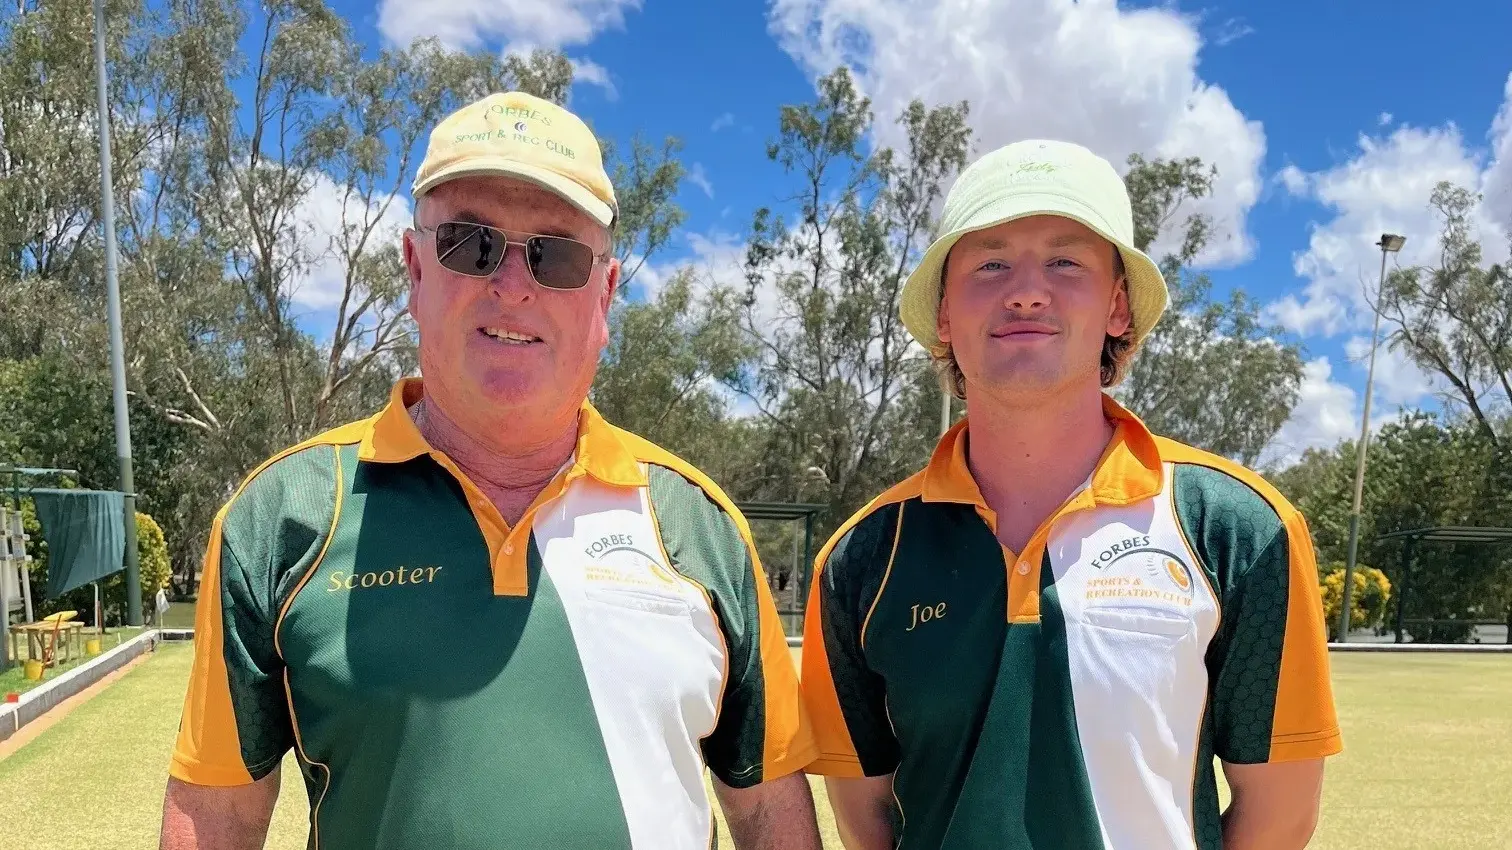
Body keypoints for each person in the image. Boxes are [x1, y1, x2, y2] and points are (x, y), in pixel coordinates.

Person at [160, 91, 822, 850]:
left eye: (556, 254)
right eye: (470, 244)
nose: (512, 283)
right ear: (415, 270)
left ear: (605, 294)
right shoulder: (281, 518)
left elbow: (768, 811)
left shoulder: (702, 526)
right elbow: (218, 814)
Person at [799, 139, 1342, 850]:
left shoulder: (1240, 530)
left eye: (1066, 262)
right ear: (944, 313)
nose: (1027, 291)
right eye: (990, 264)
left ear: (1118, 306)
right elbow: (866, 820)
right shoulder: (860, 557)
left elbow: (1279, 814)